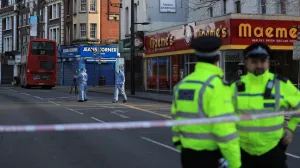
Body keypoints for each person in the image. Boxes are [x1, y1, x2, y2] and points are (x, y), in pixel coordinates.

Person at [171, 36, 241, 168]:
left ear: (196, 58)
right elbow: (224, 129)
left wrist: (180, 143)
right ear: (218, 58)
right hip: (211, 156)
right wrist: (235, 163)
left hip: (187, 154)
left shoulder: (182, 85)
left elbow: (176, 118)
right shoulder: (216, 86)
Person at [230, 42, 300, 168]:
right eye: (254, 61)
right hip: (242, 152)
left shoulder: (282, 85)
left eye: (263, 61)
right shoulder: (235, 87)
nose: (259, 65)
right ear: (246, 62)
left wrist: (291, 129)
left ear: (268, 62)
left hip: (272, 151)